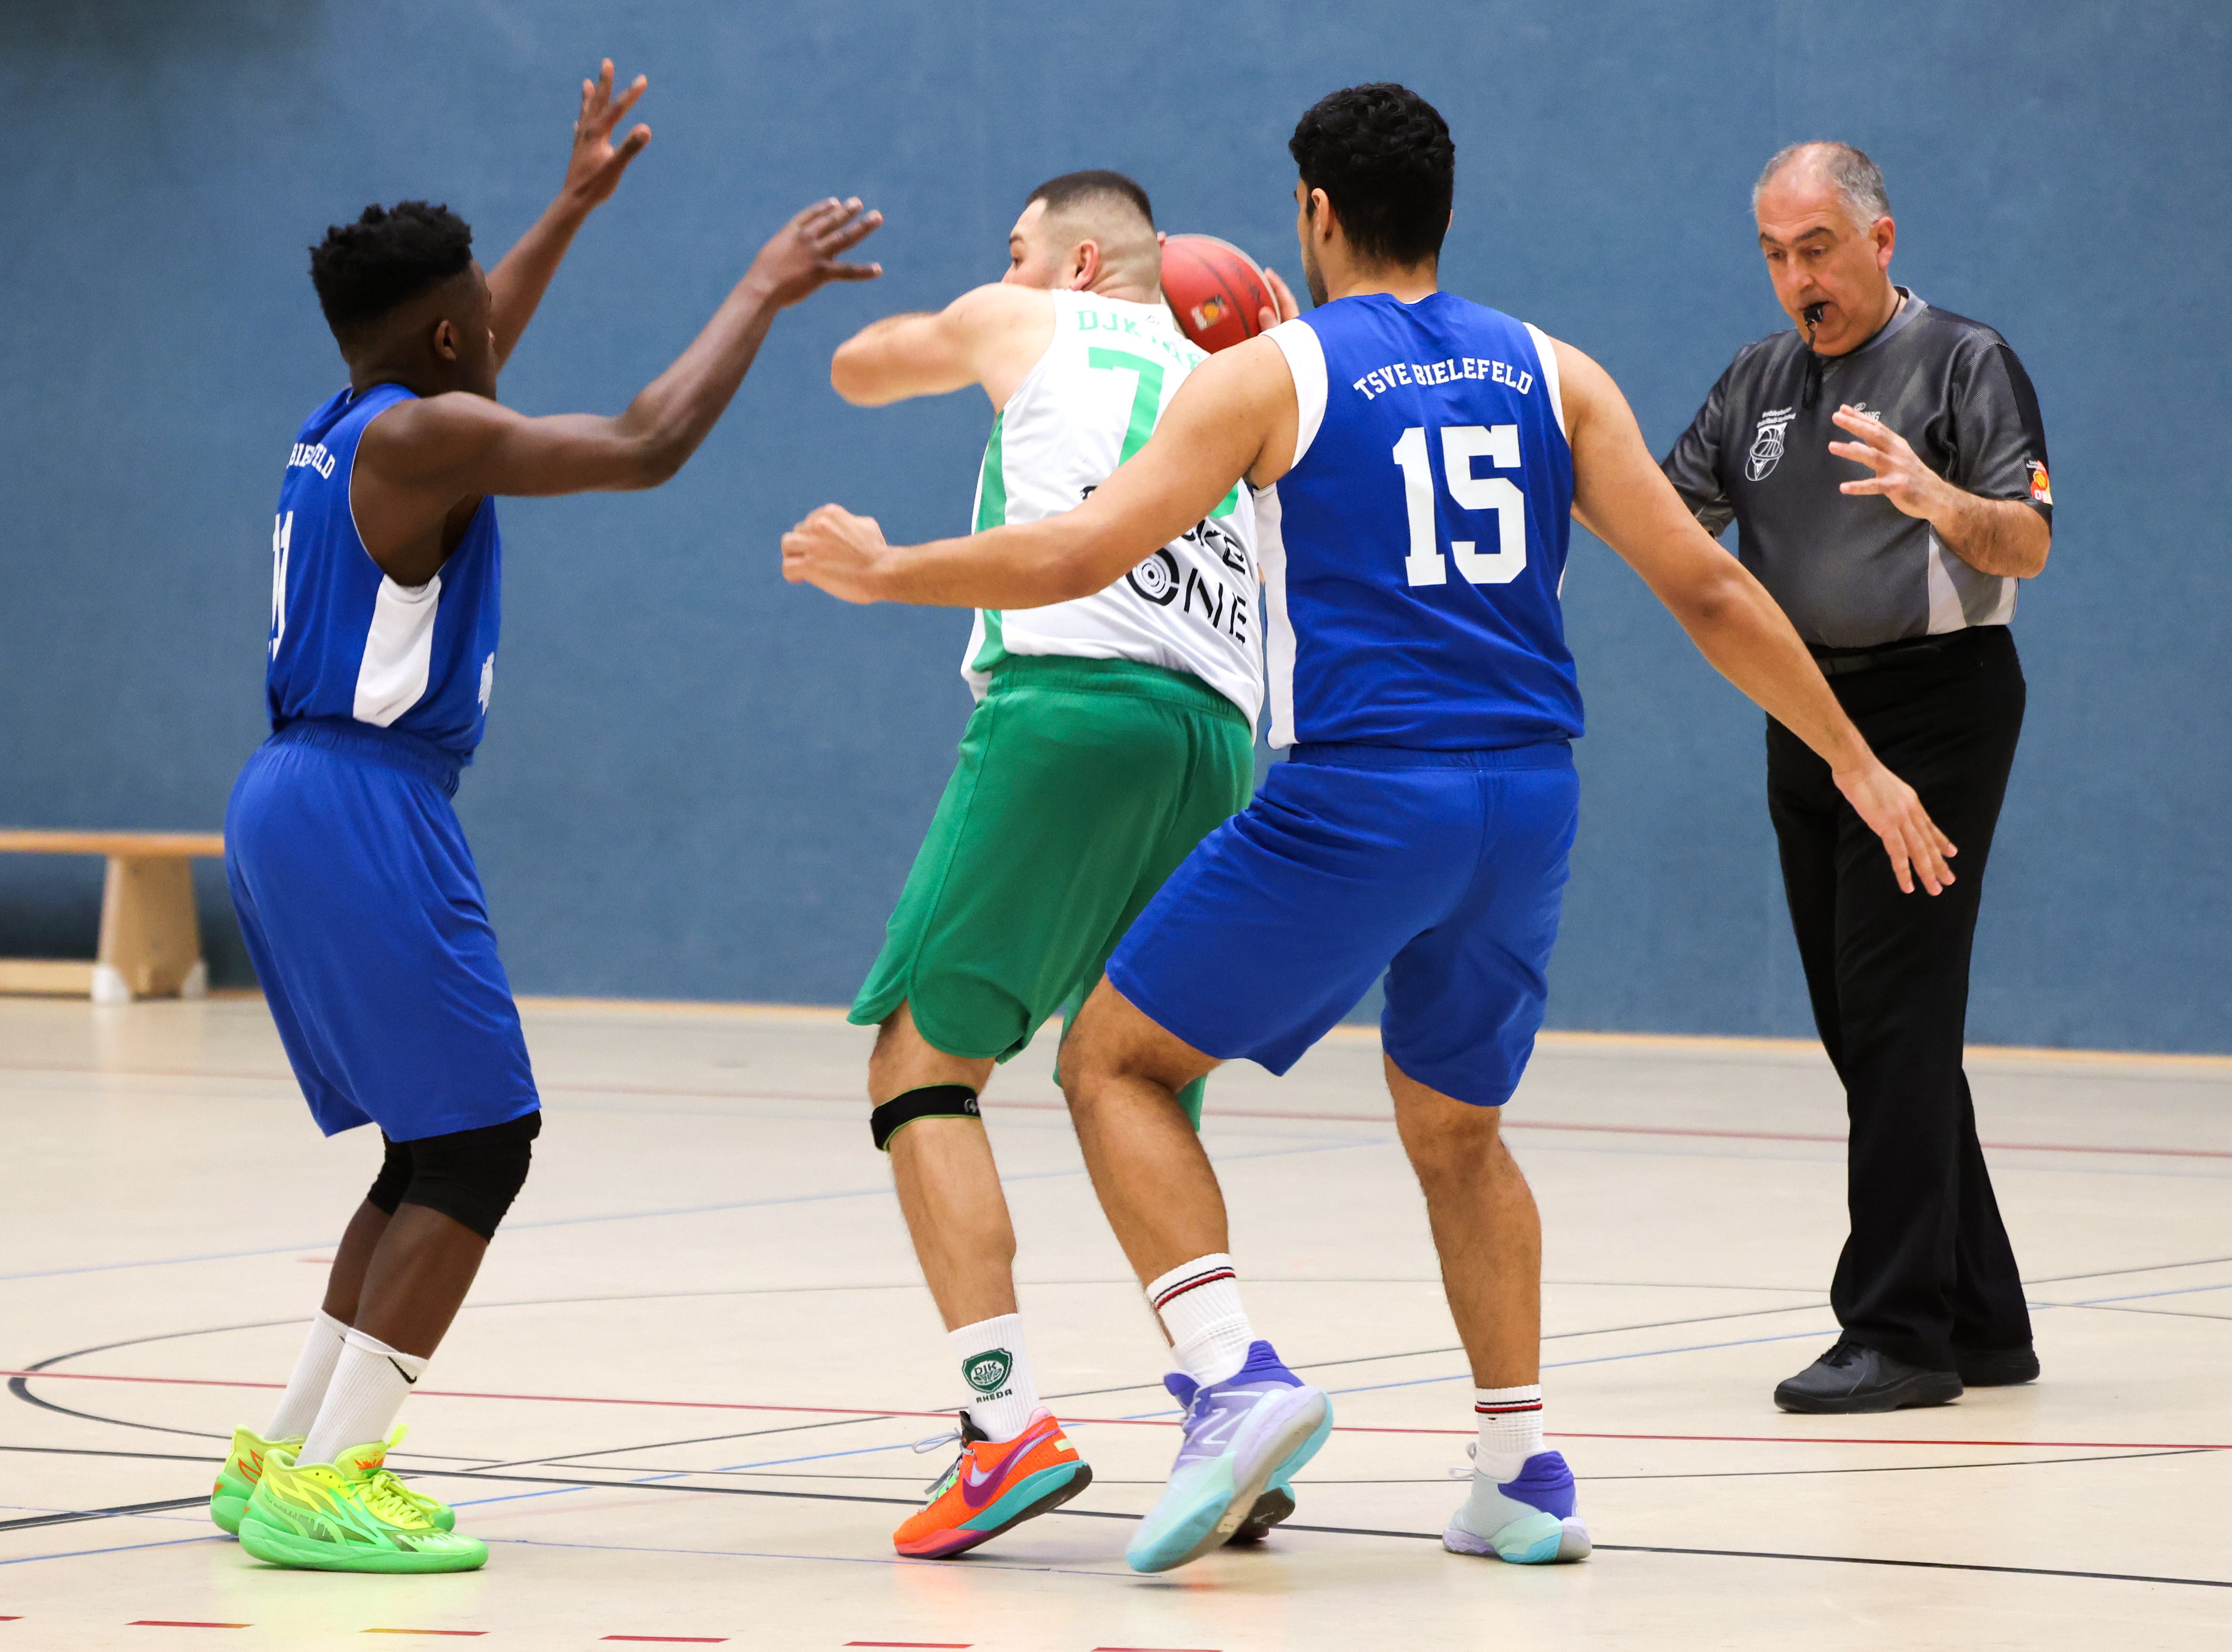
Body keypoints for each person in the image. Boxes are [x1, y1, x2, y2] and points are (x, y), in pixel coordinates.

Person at [782, 84, 1953, 1575]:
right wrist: (1856, 762)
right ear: (1443, 210)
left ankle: (1230, 1382)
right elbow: (1711, 589)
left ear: (1315, 212)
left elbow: (1079, 549)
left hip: (1365, 792)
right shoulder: (1555, 370)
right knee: (1458, 1128)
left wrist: (891, 569)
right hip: (1526, 799)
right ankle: (1520, 1470)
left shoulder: (1269, 374)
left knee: (1113, 1061)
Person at [212, 59, 880, 1574]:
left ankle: (286, 1458)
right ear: (448, 342)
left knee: (423, 1147)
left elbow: (475, 332)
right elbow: (645, 442)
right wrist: (760, 290)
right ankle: (333, 1480)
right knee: (481, 1148)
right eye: (478, 326)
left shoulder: (350, 415)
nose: (495, 336)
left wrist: (571, 205)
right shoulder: (421, 439)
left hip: (294, 793)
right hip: (364, 801)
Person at [823, 170, 1299, 1560]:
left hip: (1068, 707)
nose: (1007, 264)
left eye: (1017, 245)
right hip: (1217, 741)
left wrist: (901, 314)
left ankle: (1003, 1425)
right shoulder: (1243, 379)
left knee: (920, 1066)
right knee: (1138, 1075)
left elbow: (861, 369)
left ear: (1079, 262)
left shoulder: (1025, 315)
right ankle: (1229, 1402)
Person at [1661, 142, 2052, 1415]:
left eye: (1817, 249)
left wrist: (1937, 497)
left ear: (1880, 241)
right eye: (1775, 255)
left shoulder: (1966, 361)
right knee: (1869, 1025)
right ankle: (1981, 1318)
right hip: (1810, 712)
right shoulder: (1755, 381)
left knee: (1892, 1018)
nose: (1797, 280)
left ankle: (1896, 1331)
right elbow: (1664, 514)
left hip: (1936, 709)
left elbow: (2028, 542)